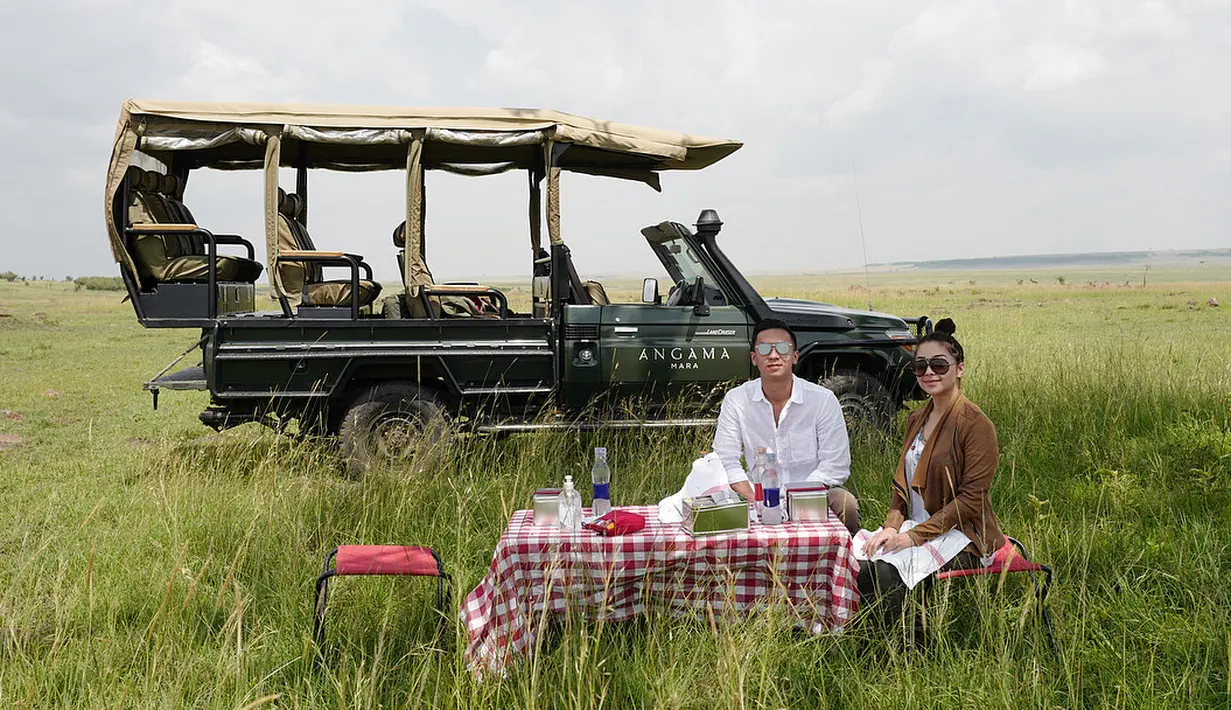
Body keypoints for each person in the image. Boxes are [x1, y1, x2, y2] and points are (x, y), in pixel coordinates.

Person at [855, 317, 1005, 631]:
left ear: (959, 368)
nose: (929, 373)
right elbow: (902, 492)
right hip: (917, 527)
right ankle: (871, 645)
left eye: (939, 364)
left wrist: (913, 537)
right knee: (863, 559)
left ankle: (912, 652)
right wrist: (890, 527)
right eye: (920, 366)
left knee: (886, 572)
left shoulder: (976, 425)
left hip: (964, 535)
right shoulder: (916, 419)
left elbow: (971, 500)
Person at [712, 318, 860, 534]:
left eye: (782, 348)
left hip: (813, 492)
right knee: (715, 503)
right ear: (754, 358)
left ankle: (849, 563)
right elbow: (726, 460)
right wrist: (757, 500)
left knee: (846, 503)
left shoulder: (822, 400)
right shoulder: (736, 400)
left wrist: (795, 499)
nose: (773, 355)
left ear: (795, 356)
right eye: (764, 349)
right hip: (756, 493)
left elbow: (835, 465)